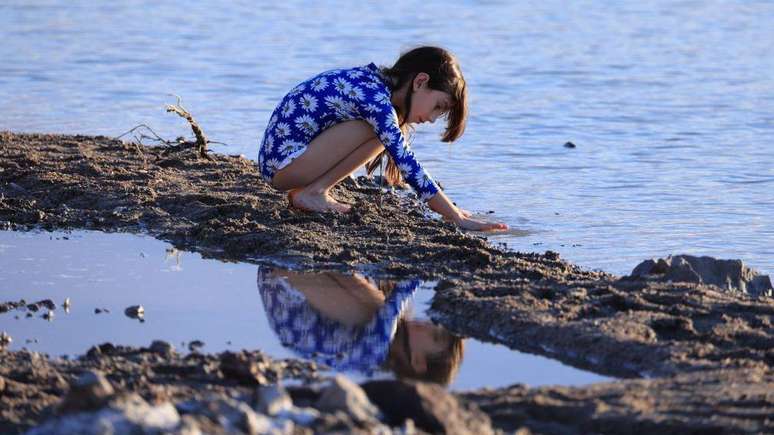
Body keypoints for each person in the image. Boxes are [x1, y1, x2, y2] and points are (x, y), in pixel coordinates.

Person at [257, 46, 508, 232]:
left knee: (384, 133)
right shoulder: (376, 100)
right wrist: (456, 217)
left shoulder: (373, 84)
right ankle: (313, 193)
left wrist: (452, 211)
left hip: (285, 161)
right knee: (381, 132)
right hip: (284, 165)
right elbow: (407, 164)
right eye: (437, 107)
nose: (431, 119)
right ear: (420, 82)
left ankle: (314, 192)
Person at [257, 267, 464, 385]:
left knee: (375, 309)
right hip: (287, 279)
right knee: (380, 300)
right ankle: (329, 258)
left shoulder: (374, 354)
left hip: (280, 277)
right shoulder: (375, 362)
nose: (431, 324)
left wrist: (427, 270)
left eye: (435, 336)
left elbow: (397, 300)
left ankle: (329, 258)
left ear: (418, 361)